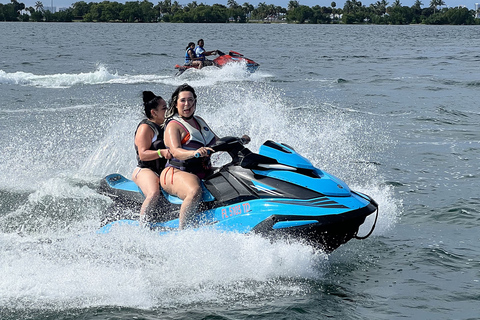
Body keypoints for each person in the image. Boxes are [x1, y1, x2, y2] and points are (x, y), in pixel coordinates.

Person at [160, 84, 218, 229]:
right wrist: (194, 152)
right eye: (183, 100)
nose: (187, 104)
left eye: (191, 100)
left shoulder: (199, 121)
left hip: (203, 170)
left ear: (195, 102)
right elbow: (175, 151)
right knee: (194, 190)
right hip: (176, 172)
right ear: (176, 103)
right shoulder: (173, 125)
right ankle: (183, 232)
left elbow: (217, 141)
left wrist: (237, 141)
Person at [132, 91, 172, 222]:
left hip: (164, 170)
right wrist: (161, 152)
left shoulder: (167, 125)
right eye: (164, 108)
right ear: (154, 112)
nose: (168, 110)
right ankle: (143, 227)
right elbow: (143, 154)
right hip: (145, 170)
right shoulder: (145, 128)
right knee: (153, 193)